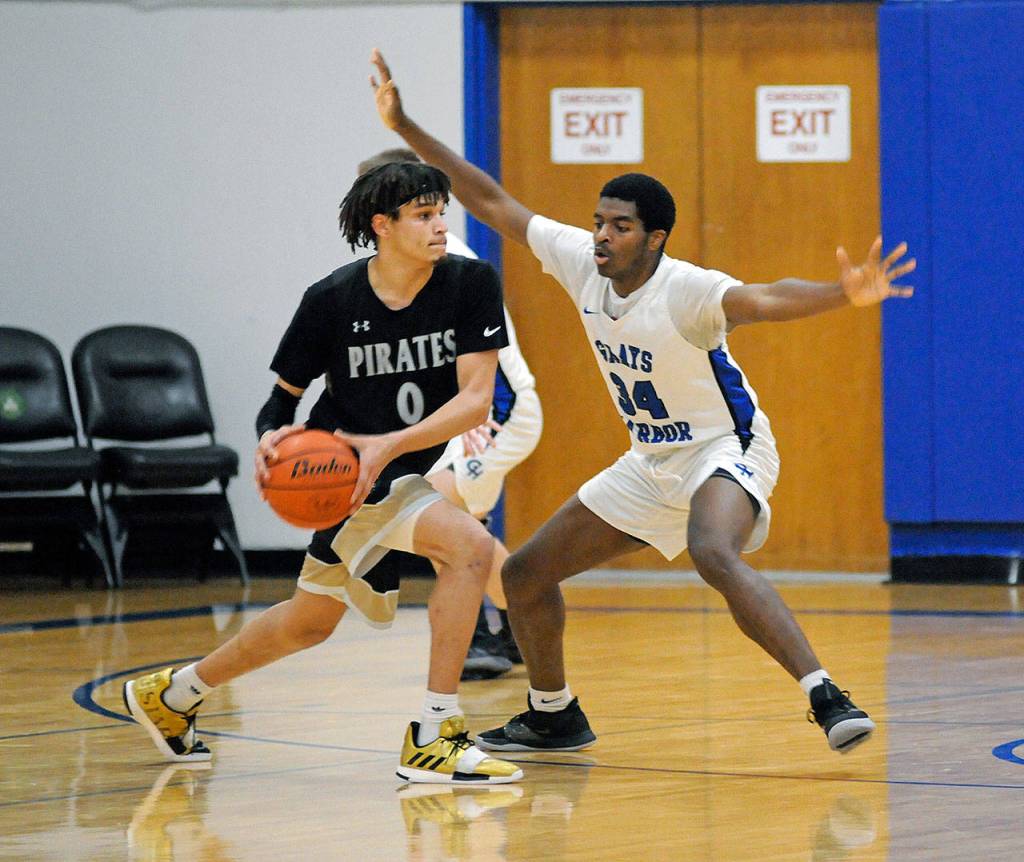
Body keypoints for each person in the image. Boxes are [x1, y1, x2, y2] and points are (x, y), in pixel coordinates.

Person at [369, 48, 916, 755]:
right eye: (599, 221)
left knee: (711, 550)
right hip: (651, 460)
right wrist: (405, 122)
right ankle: (553, 713)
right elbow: (490, 198)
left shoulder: (686, 288)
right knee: (525, 572)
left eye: (620, 226)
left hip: (726, 447)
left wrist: (844, 293)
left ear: (655, 239)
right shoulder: (578, 260)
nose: (601, 234)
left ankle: (825, 695)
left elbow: (768, 297)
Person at [123, 159, 523, 784]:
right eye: (424, 215)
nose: (441, 226)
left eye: (442, 212)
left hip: (386, 468)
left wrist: (388, 444)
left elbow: (475, 400)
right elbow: (281, 401)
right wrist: (270, 439)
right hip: (343, 480)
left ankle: (173, 694)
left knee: (310, 623)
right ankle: (434, 733)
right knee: (470, 548)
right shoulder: (331, 299)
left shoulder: (469, 283)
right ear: (382, 226)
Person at [355, 149, 543, 681]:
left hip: (496, 410)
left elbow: (459, 353)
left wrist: (468, 412)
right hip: (462, 411)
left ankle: (508, 627)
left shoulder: (441, 259)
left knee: (435, 514)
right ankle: (517, 628)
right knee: (456, 529)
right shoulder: (393, 262)